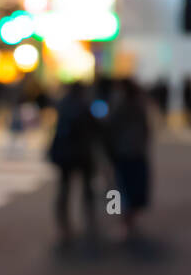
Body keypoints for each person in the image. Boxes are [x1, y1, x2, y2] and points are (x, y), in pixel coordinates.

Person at [47, 82, 99, 244]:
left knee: (64, 189)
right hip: (82, 153)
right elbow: (95, 128)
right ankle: (89, 221)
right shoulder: (85, 105)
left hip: (65, 154)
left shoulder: (63, 104)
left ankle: (64, 227)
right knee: (87, 188)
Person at [106, 78, 152, 241]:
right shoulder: (139, 105)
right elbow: (146, 129)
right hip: (135, 151)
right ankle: (128, 220)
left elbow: (111, 126)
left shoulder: (120, 105)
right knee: (132, 187)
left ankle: (124, 222)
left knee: (119, 188)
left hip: (123, 152)